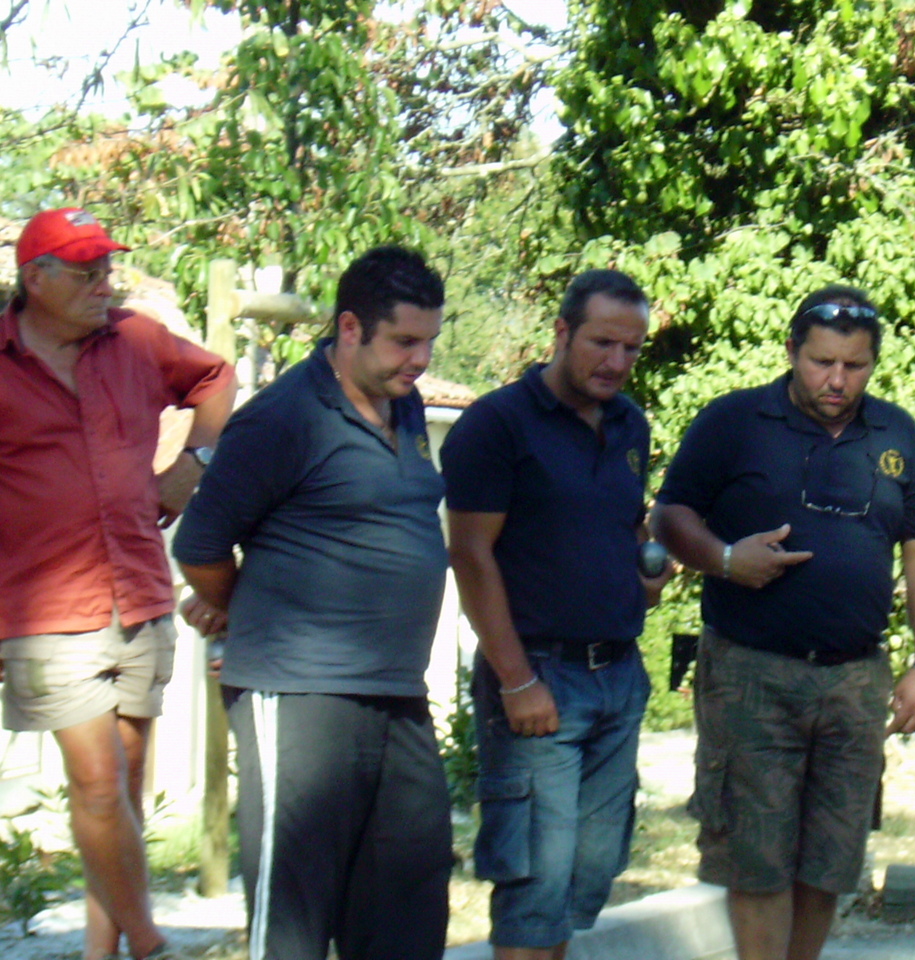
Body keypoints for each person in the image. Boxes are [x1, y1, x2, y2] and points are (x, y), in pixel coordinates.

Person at [650, 286, 915, 960]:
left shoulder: (896, 433)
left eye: (855, 365)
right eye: (822, 362)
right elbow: (669, 516)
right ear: (791, 351)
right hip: (751, 672)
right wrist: (727, 560)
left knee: (830, 863)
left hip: (855, 679)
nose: (837, 379)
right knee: (755, 860)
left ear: (873, 363)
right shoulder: (735, 421)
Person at [172, 246, 454, 960]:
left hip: (398, 694)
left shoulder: (407, 405)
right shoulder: (283, 418)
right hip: (299, 694)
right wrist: (239, 610)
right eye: (405, 341)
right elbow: (200, 544)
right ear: (350, 328)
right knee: (294, 925)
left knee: (408, 914)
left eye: (429, 341)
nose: (420, 359)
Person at [0, 207, 236, 960]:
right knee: (98, 786)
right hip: (43, 608)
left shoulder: (136, 340)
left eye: (107, 269)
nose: (105, 284)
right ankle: (151, 942)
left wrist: (192, 464)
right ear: (35, 279)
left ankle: (105, 953)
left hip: (138, 591)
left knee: (123, 795)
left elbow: (215, 379)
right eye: (86, 273)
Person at [440, 268, 672, 960]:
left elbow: (629, 523)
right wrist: (516, 680)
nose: (617, 362)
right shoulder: (497, 424)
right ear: (562, 332)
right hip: (538, 674)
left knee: (583, 883)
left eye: (631, 348)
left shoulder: (631, 424)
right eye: (602, 343)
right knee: (533, 890)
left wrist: (647, 573)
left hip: (618, 674)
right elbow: (470, 554)